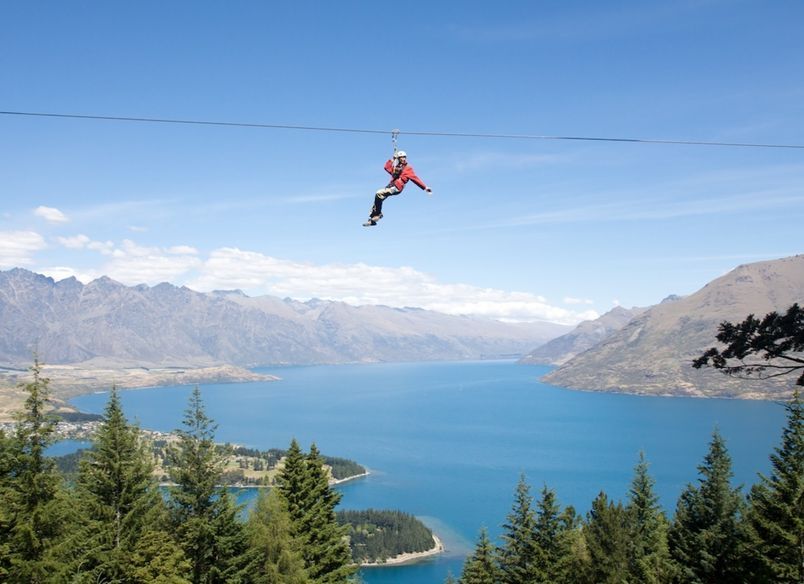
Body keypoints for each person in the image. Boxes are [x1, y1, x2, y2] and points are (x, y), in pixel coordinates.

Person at [363, 151, 432, 226]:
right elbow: (386, 167)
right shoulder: (397, 167)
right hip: (391, 186)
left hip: (397, 187)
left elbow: (415, 178)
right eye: (402, 157)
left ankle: (378, 214)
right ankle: (374, 218)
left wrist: (425, 187)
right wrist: (392, 159)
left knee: (379, 193)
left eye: (404, 157)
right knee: (378, 198)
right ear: (398, 159)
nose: (403, 159)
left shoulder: (408, 168)